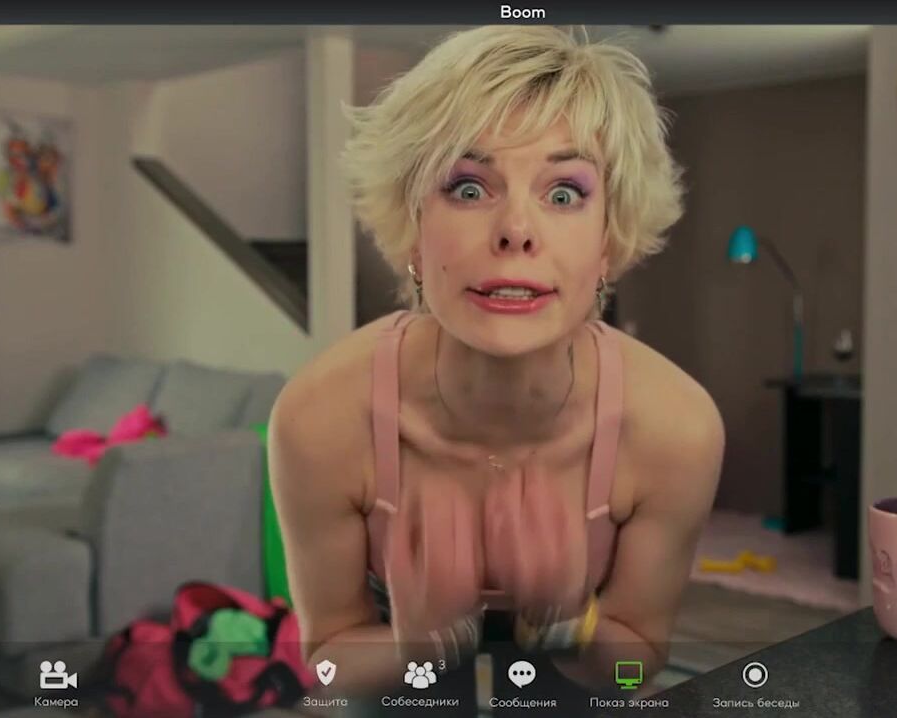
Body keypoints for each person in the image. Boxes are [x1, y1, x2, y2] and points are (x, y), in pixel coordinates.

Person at [268, 25, 725, 711]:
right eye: (468, 188)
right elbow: (327, 668)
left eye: (564, 194)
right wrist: (419, 645)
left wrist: (566, 625)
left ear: (609, 242)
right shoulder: (320, 418)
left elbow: (636, 669)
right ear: (412, 230)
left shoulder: (678, 429)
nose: (516, 229)